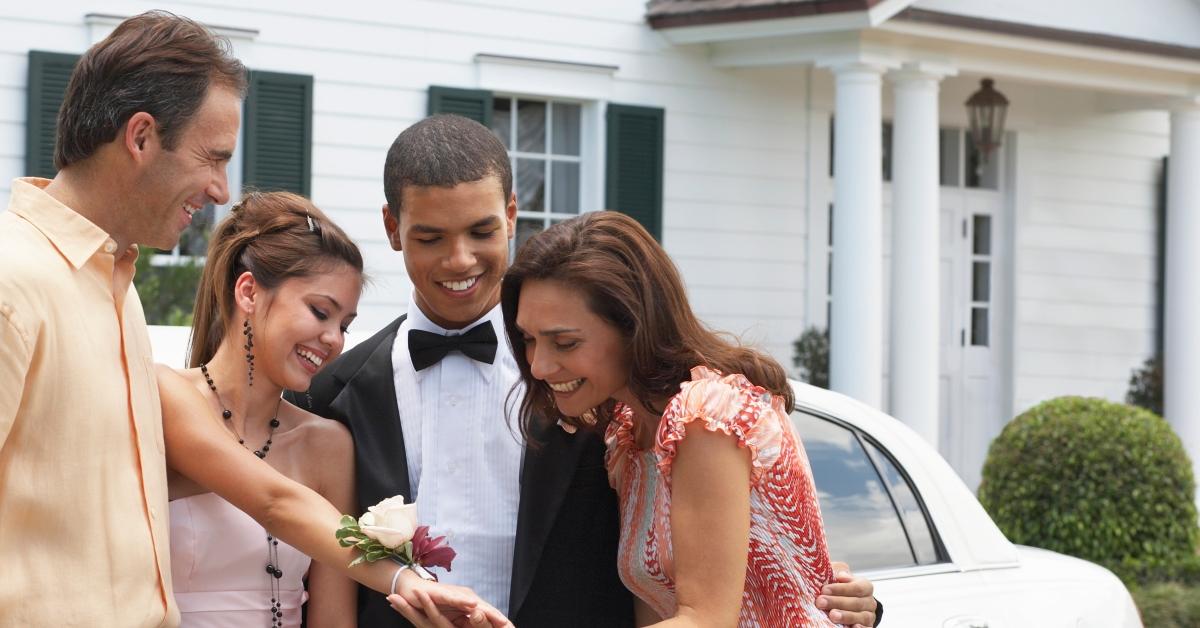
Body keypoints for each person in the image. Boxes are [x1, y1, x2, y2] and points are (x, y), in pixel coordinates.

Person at [0, 13, 507, 627]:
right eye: (213, 158)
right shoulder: (14, 282)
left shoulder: (116, 294)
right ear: (140, 137)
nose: (220, 191)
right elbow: (273, 497)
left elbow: (275, 500)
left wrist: (404, 577)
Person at [296, 114, 880, 627]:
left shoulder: (612, 398)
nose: (460, 260)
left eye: (480, 231)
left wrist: (836, 597)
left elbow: (734, 567)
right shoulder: (333, 393)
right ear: (393, 228)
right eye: (431, 237)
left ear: (511, 216)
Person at [502, 210, 844, 627]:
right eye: (529, 340)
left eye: (565, 342)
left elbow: (705, 620)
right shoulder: (628, 435)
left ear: (634, 326)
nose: (538, 366)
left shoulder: (706, 415)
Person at [165, 191, 359, 627]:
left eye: (344, 325)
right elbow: (274, 503)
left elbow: (334, 620)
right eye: (320, 311)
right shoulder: (163, 399)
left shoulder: (329, 445)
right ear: (249, 292)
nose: (334, 339)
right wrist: (403, 578)